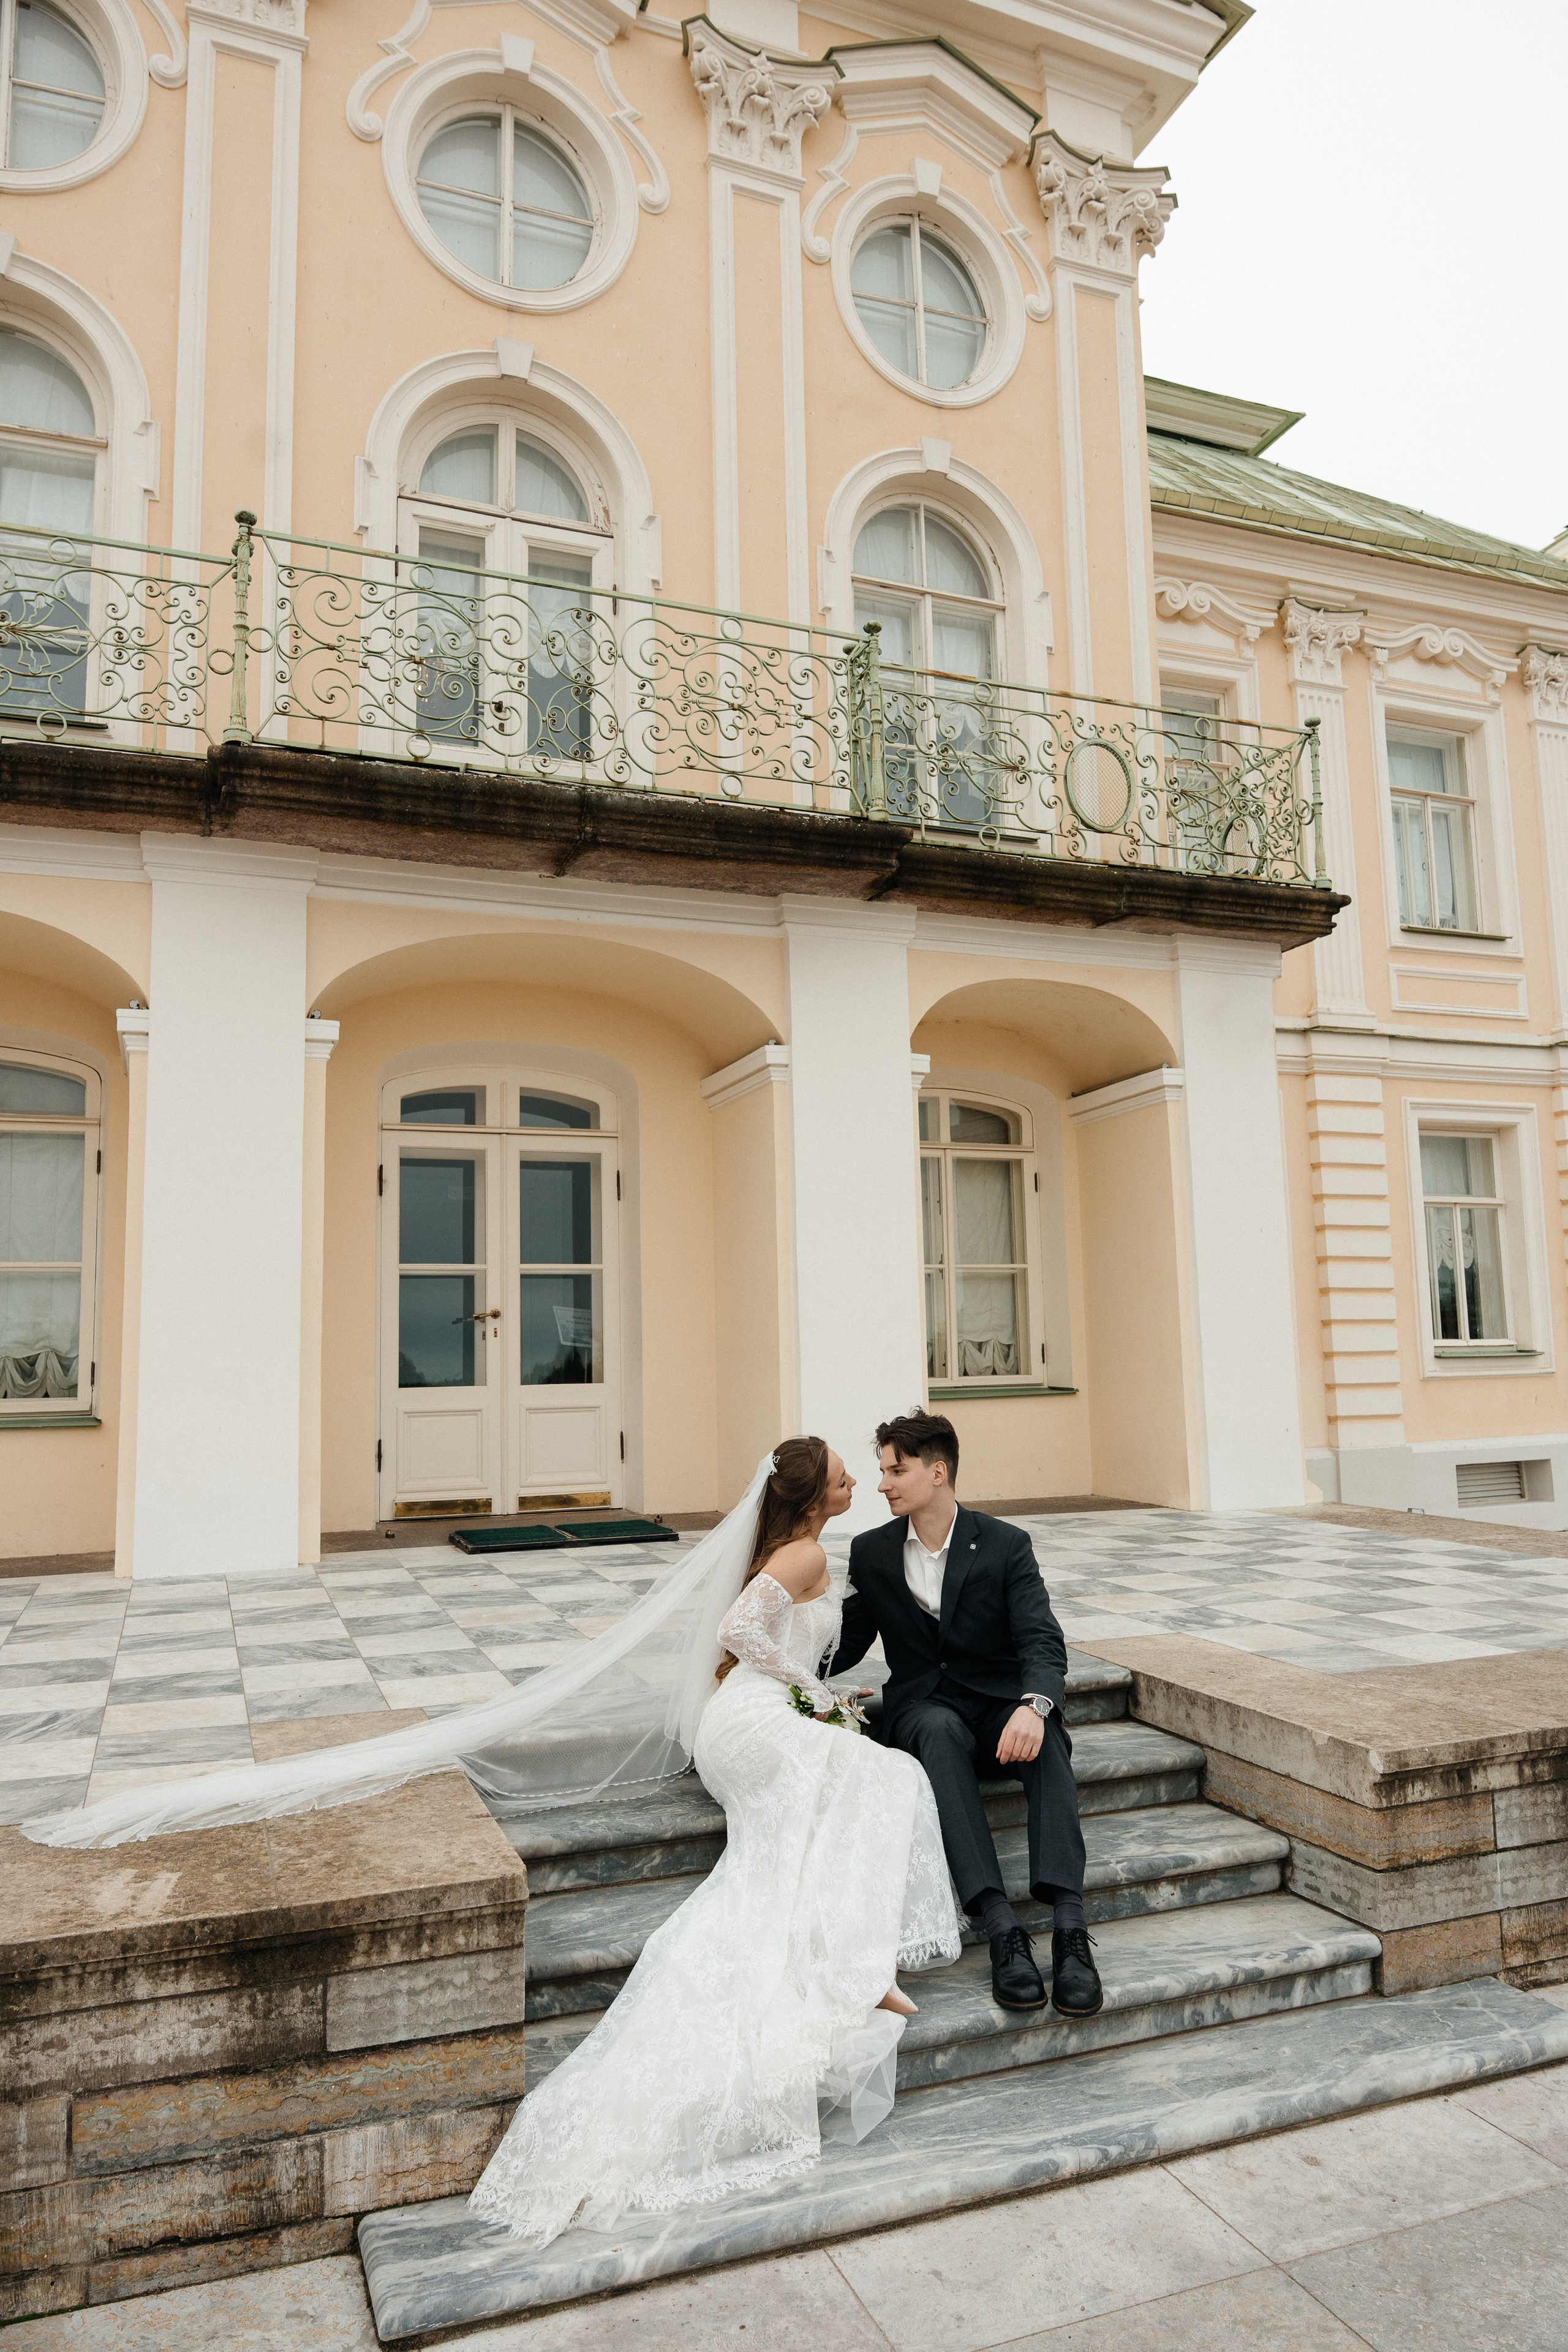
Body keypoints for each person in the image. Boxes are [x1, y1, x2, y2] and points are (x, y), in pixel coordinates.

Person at [467, 1436, 962, 2246]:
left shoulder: (793, 1547)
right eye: (844, 1477)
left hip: (749, 1721)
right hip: (753, 1723)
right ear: (813, 1496)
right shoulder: (801, 1552)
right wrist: (812, 1690)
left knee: (835, 1804)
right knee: (891, 1781)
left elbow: (767, 1637)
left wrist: (820, 1692)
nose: (855, 1485)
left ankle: (852, 1963)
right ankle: (859, 1968)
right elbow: (741, 1630)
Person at [831, 1409, 1102, 2019]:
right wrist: (767, 1656)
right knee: (936, 1727)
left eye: (895, 1470)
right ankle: (1002, 1929)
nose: (882, 1484)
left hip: (999, 1709)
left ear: (937, 1471)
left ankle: (1068, 1929)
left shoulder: (1005, 1545)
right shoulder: (870, 1553)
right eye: (881, 1471)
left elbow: (1041, 1641)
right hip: (924, 1711)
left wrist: (1034, 1706)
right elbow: (844, 1646)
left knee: (1049, 1736)